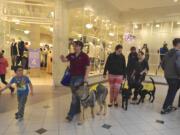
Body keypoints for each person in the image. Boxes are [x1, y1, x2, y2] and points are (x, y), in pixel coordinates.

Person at [60, 41, 90, 121]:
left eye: (76, 46)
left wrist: (85, 79)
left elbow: (88, 68)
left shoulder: (85, 56)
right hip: (72, 77)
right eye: (74, 46)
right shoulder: (71, 55)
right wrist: (62, 58)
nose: (74, 47)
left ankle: (70, 115)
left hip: (80, 78)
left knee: (74, 96)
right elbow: (64, 60)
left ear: (80, 47)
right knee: (76, 95)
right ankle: (77, 110)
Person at [161, 38, 180, 114]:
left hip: (168, 76)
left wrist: (166, 71)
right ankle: (165, 108)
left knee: (171, 90)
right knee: (172, 92)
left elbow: (162, 64)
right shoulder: (178, 53)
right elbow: (178, 65)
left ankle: (168, 105)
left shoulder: (167, 53)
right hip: (175, 77)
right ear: (178, 44)